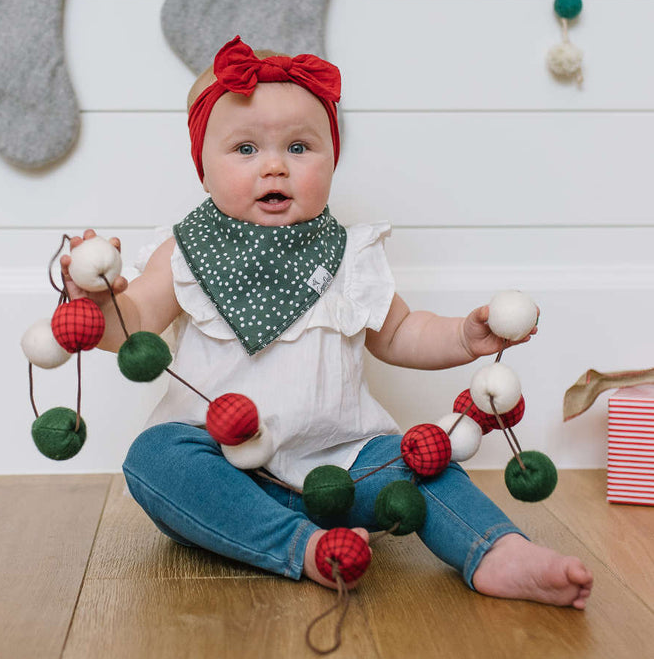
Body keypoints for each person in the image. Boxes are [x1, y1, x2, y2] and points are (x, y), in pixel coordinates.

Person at [61, 36, 593, 608]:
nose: (273, 165)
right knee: (155, 461)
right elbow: (133, 325)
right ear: (203, 169)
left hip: (344, 467)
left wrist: (464, 335)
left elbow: (399, 333)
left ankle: (496, 550)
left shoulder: (348, 255)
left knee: (422, 461)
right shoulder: (184, 253)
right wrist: (98, 304)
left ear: (332, 160)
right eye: (244, 149)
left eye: (298, 147)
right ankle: (303, 547)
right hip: (223, 470)